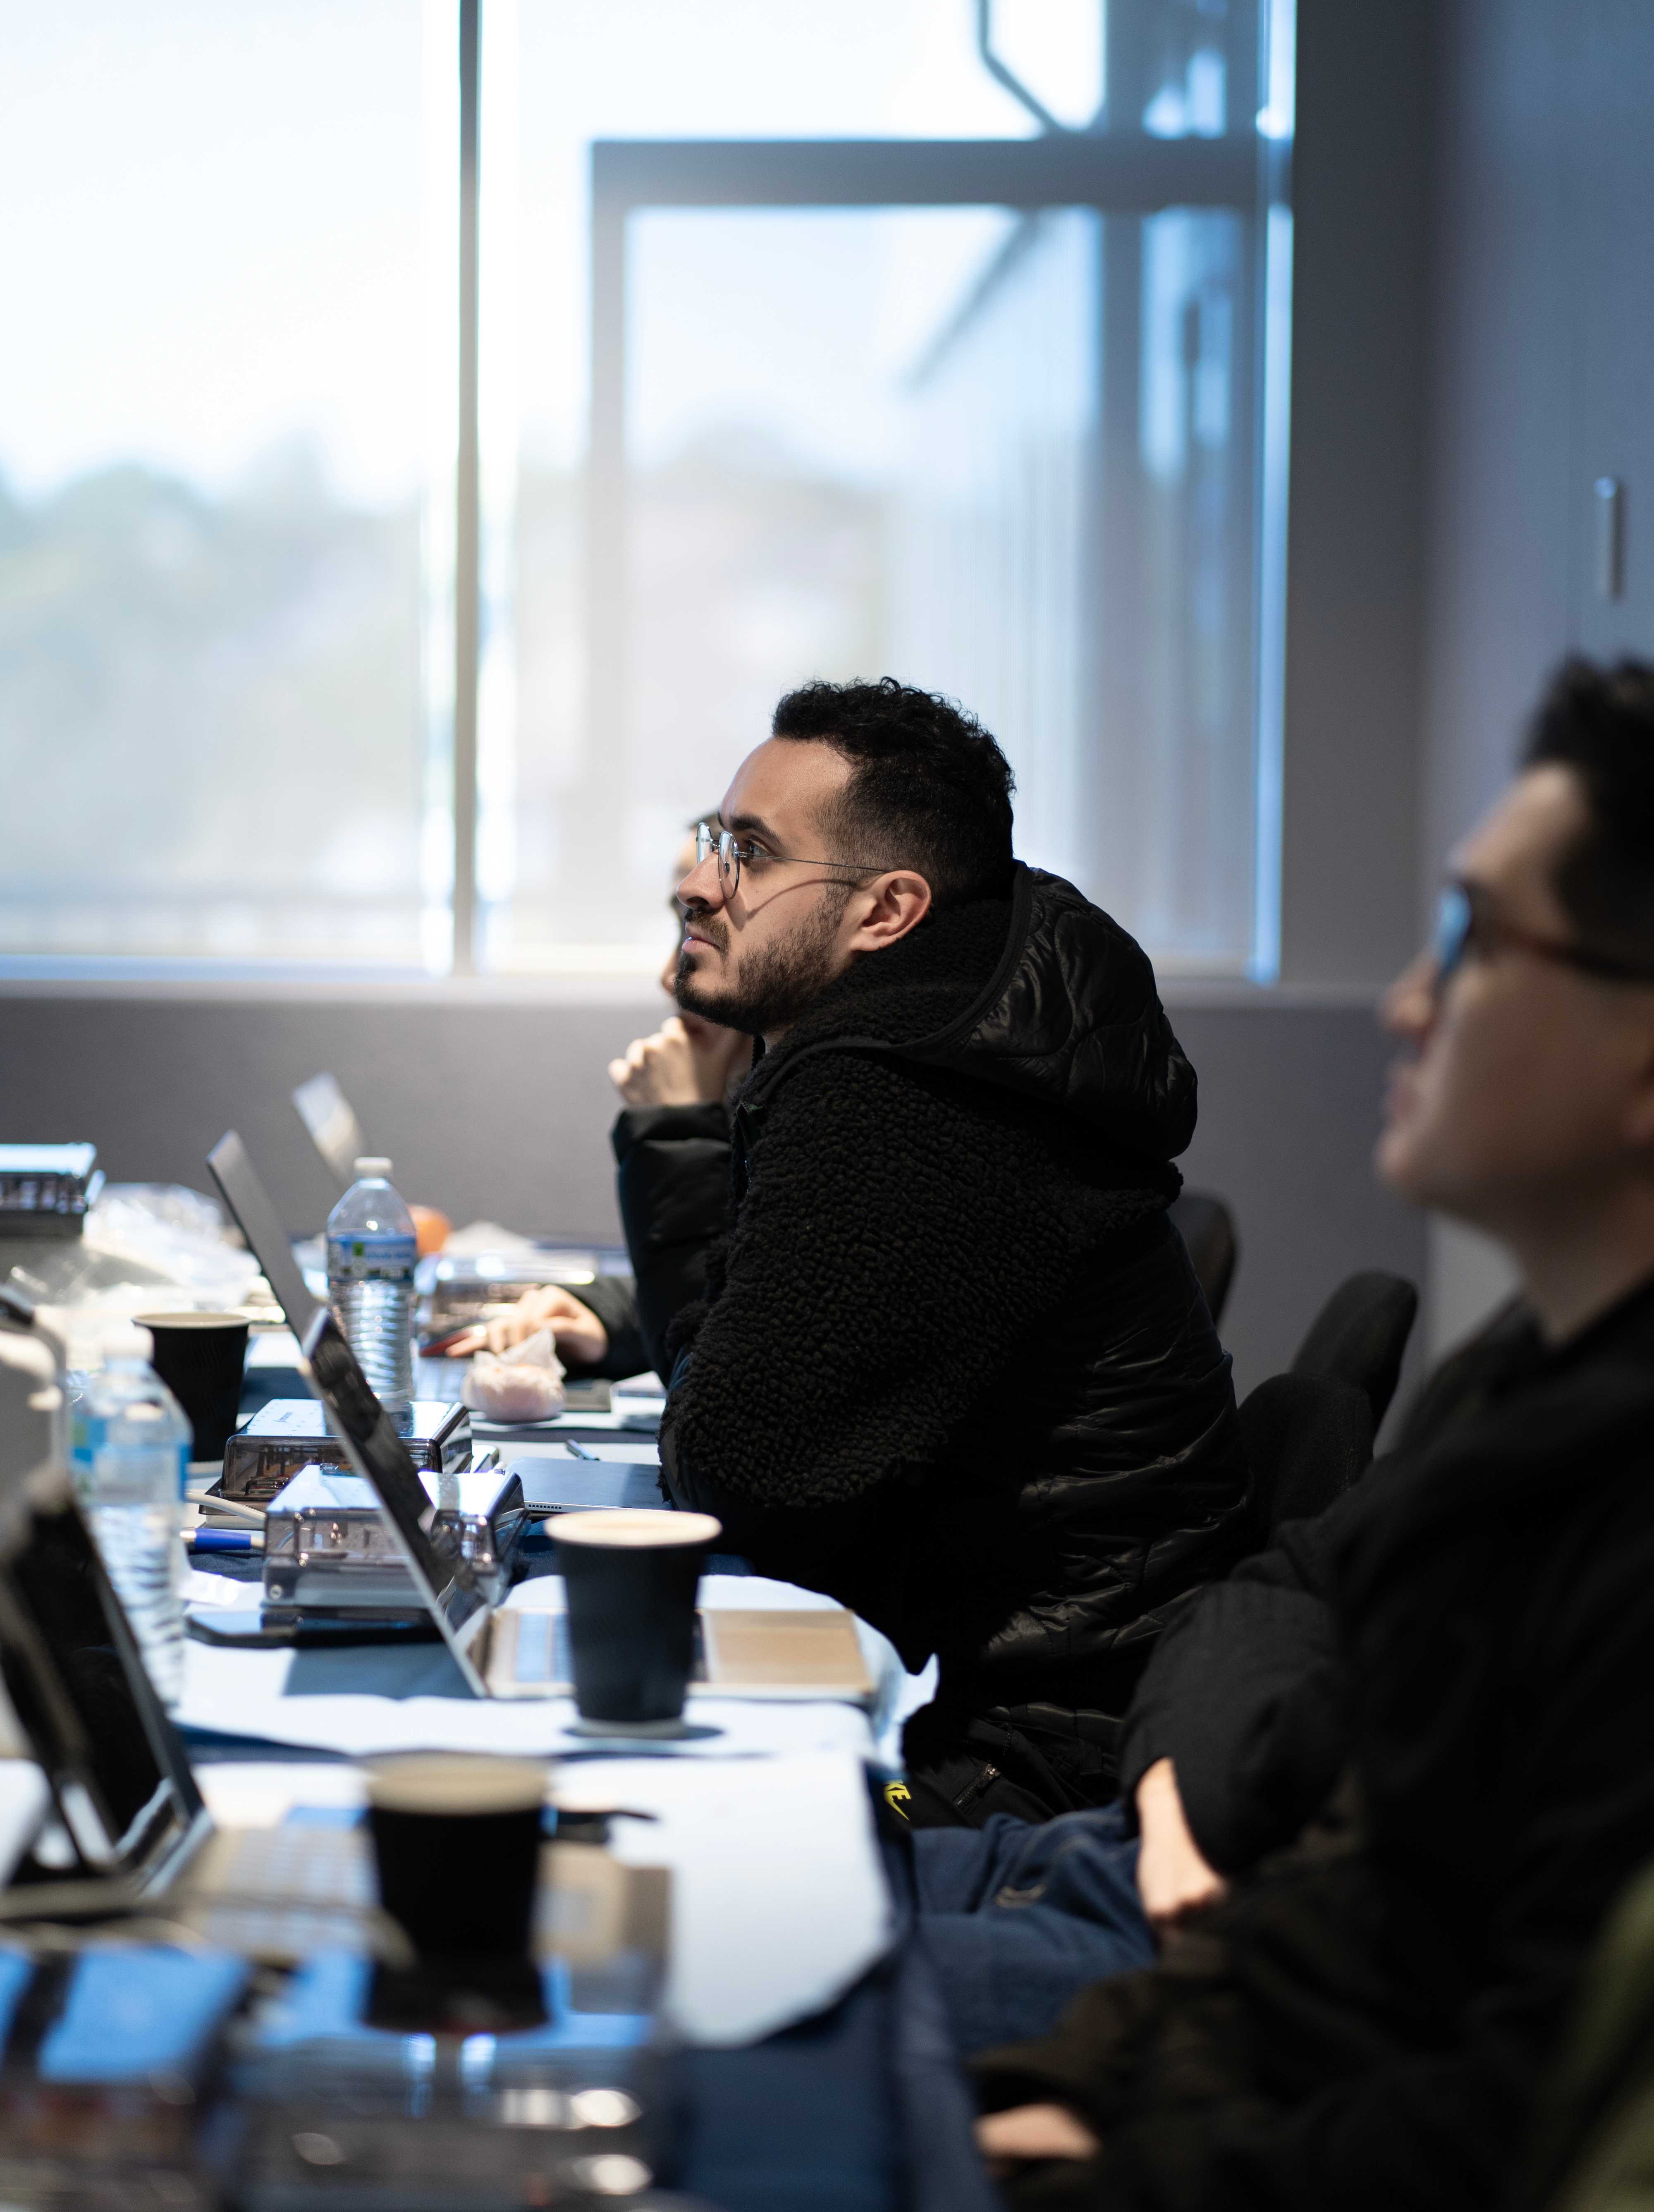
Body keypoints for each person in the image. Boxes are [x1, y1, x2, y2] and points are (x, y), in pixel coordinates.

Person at [968, 653, 1654, 2210]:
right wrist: (1082, 2080)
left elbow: (1481, 2114)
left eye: (1473, 939)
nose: (1406, 1001)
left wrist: (1101, 2149)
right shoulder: (1522, 1380)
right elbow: (1279, 1608)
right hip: (1179, 1995)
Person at [644, 677, 1252, 1822]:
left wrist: (681, 1173)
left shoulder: (904, 1094)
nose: (700, 884)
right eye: (717, 842)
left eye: (752, 855)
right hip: (1025, 1694)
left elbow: (740, 1473)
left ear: (886, 912)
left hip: (1019, 1755)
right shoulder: (944, 1039)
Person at [446, 819, 748, 1380]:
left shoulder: (827, 1119)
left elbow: (722, 1384)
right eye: (682, 927)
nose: (670, 976)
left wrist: (677, 1131)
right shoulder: (751, 1101)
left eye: (704, 930)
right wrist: (606, 1318)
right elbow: (737, 1294)